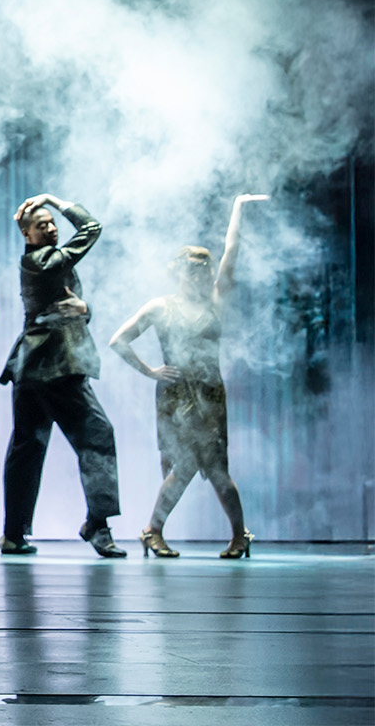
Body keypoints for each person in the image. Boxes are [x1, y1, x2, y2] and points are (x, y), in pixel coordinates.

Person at [108, 193, 267, 560]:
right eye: (193, 268)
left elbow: (232, 251)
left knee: (216, 467)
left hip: (210, 393)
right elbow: (119, 340)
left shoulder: (215, 300)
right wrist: (150, 371)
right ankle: (155, 531)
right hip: (177, 396)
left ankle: (234, 536)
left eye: (205, 268)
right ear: (179, 271)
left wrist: (238, 207)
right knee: (183, 467)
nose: (202, 273)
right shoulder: (160, 307)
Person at [0, 193, 124, 557]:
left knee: (27, 447)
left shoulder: (45, 261)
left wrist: (85, 309)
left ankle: (14, 533)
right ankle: (98, 524)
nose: (51, 228)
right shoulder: (42, 260)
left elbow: (66, 310)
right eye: (42, 225)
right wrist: (54, 199)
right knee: (97, 435)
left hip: (32, 369)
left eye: (52, 223)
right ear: (27, 234)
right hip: (54, 368)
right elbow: (91, 227)